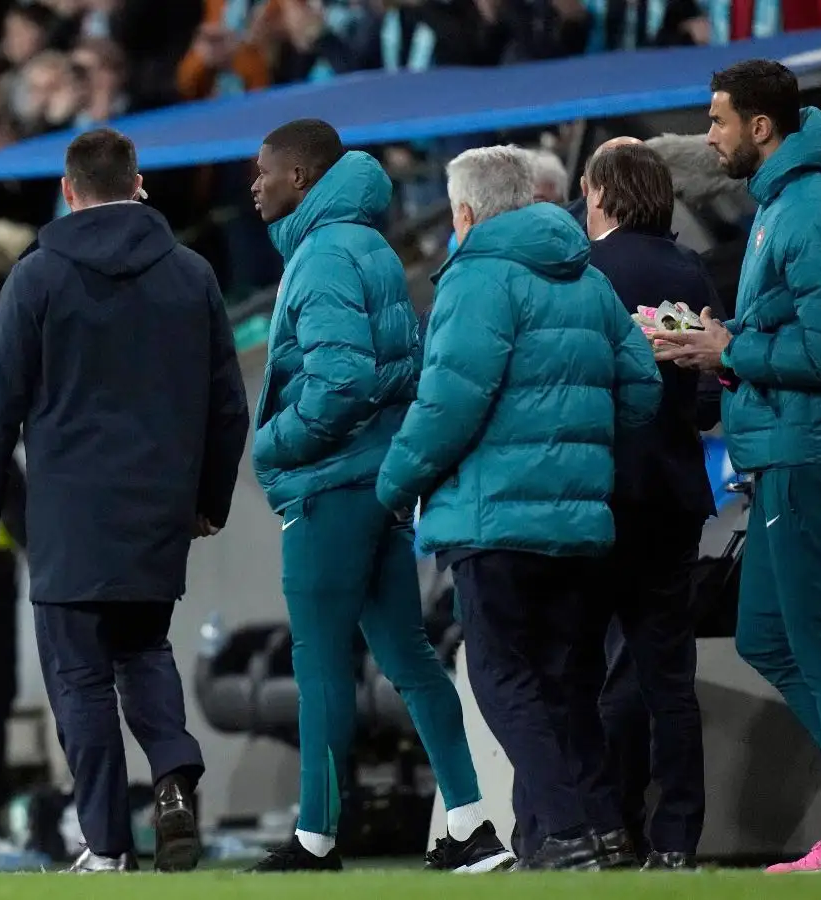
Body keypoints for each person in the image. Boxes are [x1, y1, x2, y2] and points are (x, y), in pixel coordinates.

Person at [0, 127, 249, 873]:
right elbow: (226, 405)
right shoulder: (191, 274)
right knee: (145, 650)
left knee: (80, 677)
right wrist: (207, 500)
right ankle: (175, 775)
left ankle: (108, 844)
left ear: (68, 189)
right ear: (138, 184)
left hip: (67, 514)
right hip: (158, 510)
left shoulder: (38, 276)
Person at [376, 145, 662, 871]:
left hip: (493, 520)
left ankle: (565, 832)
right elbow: (642, 389)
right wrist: (577, 451)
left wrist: (393, 485)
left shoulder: (476, 281)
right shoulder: (585, 277)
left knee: (504, 679)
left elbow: (448, 405)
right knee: (567, 685)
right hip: (578, 522)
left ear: (464, 212)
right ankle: (605, 830)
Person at [244, 119, 512, 874]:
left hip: (331, 487)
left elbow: (342, 381)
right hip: (379, 484)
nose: (253, 184)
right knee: (409, 656)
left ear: (300, 178)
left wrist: (272, 444)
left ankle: (314, 839)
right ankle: (470, 824)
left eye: (264, 171)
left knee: (322, 661)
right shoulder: (367, 244)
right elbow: (393, 370)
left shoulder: (324, 254)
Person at [652, 59, 821, 874]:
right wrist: (723, 348)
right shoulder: (782, 203)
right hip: (780, 448)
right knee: (769, 636)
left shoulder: (807, 211)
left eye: (717, 121)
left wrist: (734, 347)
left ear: (760, 128)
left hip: (810, 452)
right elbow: (793, 330)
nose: (709, 136)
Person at [579, 142, 717, 870]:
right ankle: (676, 839)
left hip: (595, 497)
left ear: (600, 195)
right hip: (671, 496)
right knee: (667, 677)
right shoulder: (684, 272)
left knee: (592, 674)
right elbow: (704, 392)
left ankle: (610, 826)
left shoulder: (580, 274)